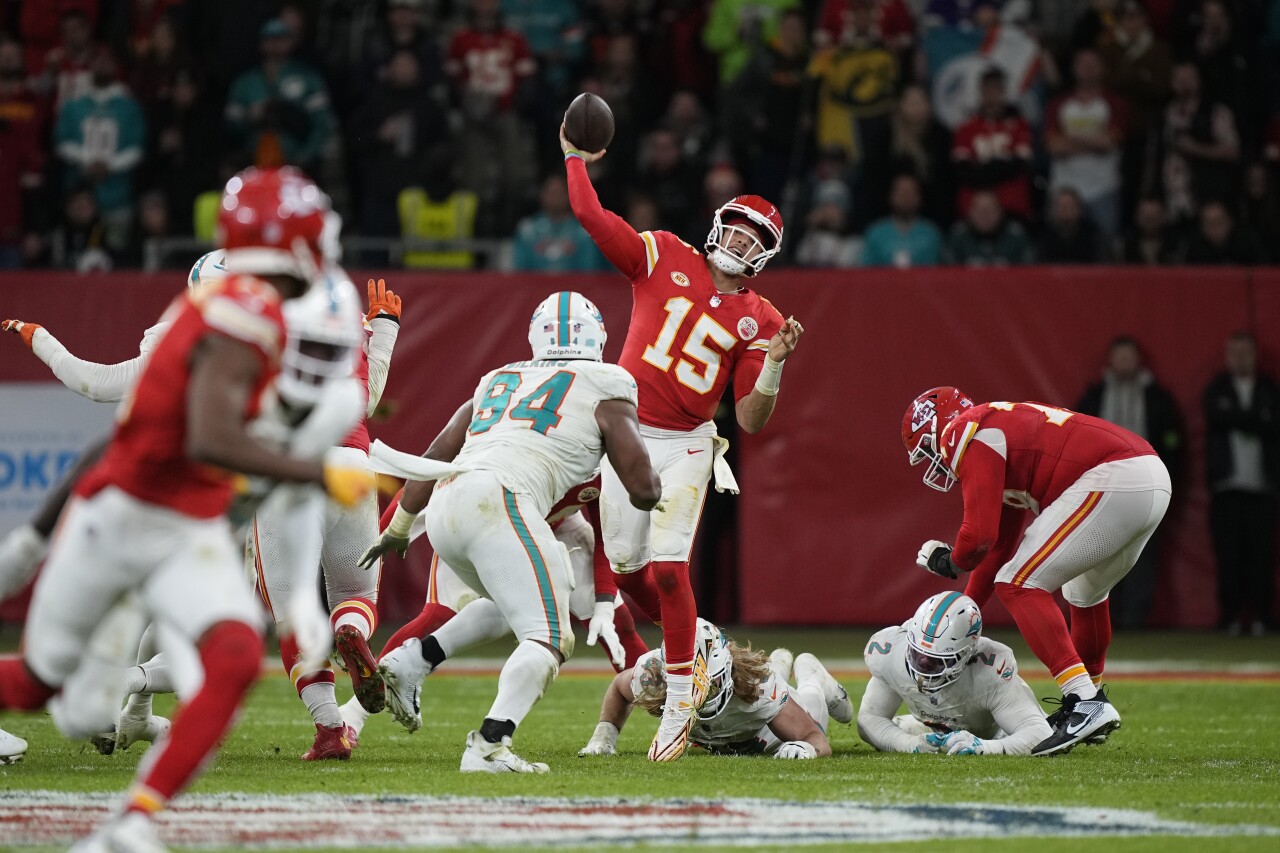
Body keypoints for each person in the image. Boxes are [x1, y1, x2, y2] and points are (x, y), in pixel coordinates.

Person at [0, 167, 375, 850]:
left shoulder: (265, 314)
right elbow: (211, 435)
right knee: (32, 682)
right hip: (121, 519)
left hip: (188, 524)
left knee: (233, 657)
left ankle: (132, 823)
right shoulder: (234, 317)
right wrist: (315, 467)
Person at [562, 123, 804, 762]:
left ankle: (677, 699)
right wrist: (574, 157)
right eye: (737, 226)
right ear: (718, 224)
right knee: (630, 572)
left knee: (670, 571)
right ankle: (697, 650)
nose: (740, 240)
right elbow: (590, 214)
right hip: (625, 435)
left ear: (765, 254)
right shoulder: (663, 252)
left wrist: (773, 362)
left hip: (688, 442)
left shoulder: (764, 320)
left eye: (756, 237)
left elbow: (750, 420)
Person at [362, 291, 662, 773]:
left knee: (512, 606)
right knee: (549, 637)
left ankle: (413, 661)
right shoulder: (608, 381)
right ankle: (488, 745)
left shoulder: (499, 377)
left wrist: (399, 526)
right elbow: (644, 490)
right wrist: (665, 475)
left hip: (447, 505)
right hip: (501, 500)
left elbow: (437, 453)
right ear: (599, 338)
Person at [902, 386, 1171, 755]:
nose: (936, 461)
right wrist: (965, 611)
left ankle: (1085, 702)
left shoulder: (966, 429)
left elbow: (978, 538)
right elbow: (997, 547)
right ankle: (1087, 702)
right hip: (1147, 477)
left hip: (1116, 475)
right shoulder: (997, 436)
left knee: (1018, 584)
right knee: (1085, 592)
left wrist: (951, 561)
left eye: (928, 450)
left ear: (936, 427)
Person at [339, 474, 650, 740]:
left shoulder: (605, 450)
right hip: (485, 512)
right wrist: (391, 528)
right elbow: (438, 458)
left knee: (614, 625)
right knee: (448, 617)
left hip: (551, 523)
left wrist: (606, 605)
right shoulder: (531, 427)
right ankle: (356, 713)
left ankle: (671, 709)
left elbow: (608, 531)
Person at [248, 272, 403, 761]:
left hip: (289, 468)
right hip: (353, 463)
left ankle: (331, 729)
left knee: (292, 615)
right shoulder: (347, 320)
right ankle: (351, 631)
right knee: (356, 594)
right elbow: (368, 400)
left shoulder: (257, 315)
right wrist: (384, 332)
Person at [578, 618, 850, 758]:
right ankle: (779, 662)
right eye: (683, 677)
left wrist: (804, 749)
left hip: (769, 734)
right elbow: (618, 687)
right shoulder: (653, 674)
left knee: (808, 704)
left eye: (706, 682)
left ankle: (812, 675)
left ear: (725, 671)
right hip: (731, 729)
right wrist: (604, 737)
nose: (698, 691)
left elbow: (816, 738)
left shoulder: (758, 688)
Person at [1075, 336, 1184, 629]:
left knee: (1141, 555)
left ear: (1139, 360)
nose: (1124, 363)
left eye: (1129, 357)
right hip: (1101, 489)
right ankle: (1100, 617)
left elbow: (1174, 444)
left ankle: (1136, 619)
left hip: (1145, 488)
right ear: (1110, 360)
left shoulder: (1157, 398)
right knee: (1099, 554)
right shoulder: (1094, 396)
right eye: (1119, 357)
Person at [859, 592, 1052, 755]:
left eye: (937, 661)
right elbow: (870, 720)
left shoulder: (990, 669)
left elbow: (1039, 733)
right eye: (917, 654)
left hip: (997, 731)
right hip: (931, 726)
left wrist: (987, 747)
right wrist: (910, 744)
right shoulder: (891, 652)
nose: (923, 666)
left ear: (968, 653)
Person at [1203, 332, 1279, 636]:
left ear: (1255, 356)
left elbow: (1274, 424)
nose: (1240, 359)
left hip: (1263, 487)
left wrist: (1236, 417)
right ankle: (1229, 617)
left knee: (1262, 556)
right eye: (1234, 353)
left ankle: (1263, 616)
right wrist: (1255, 419)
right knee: (1229, 556)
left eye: (1246, 353)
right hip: (1226, 487)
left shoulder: (1269, 389)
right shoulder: (1217, 389)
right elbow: (1216, 417)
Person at [861, 174, 944, 268]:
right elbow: (866, 269)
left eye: (910, 193)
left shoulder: (931, 233)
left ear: (919, 197)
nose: (905, 198)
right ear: (891, 196)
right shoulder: (876, 233)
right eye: (901, 193)